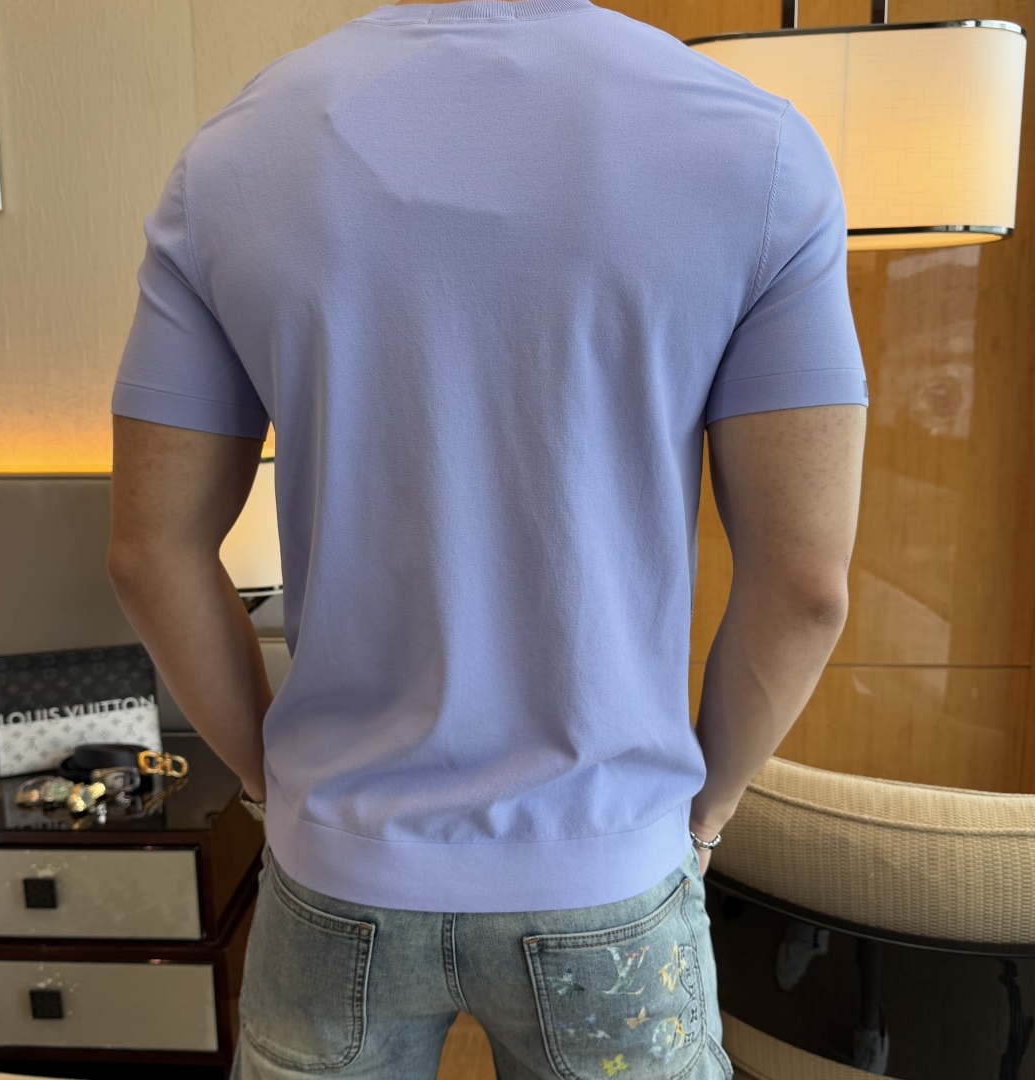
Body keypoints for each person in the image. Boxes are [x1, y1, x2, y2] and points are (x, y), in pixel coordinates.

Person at [107, 0, 867, 1077]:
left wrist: (275, 788)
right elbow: (805, 586)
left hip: (336, 868)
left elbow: (149, 553)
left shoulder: (232, 158)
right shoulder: (760, 151)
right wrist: (701, 818)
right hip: (608, 870)